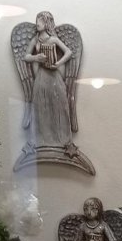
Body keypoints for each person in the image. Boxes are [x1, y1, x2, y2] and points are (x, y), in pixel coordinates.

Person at [21, 11, 77, 157]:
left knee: (59, 105)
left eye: (40, 21)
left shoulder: (53, 40)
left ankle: (62, 141)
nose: (37, 23)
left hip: (54, 77)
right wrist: (36, 58)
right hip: (41, 77)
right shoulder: (36, 40)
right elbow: (26, 56)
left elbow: (68, 52)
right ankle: (42, 140)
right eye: (37, 20)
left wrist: (58, 63)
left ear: (46, 23)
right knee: (41, 105)